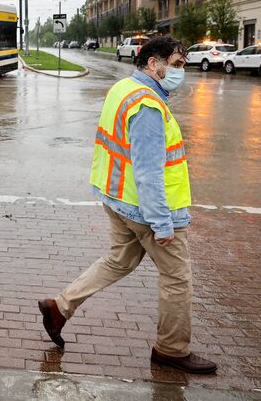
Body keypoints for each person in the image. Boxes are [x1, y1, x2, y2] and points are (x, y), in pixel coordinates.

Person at [38, 36, 217, 374]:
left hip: (117, 198)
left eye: (183, 66)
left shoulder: (124, 89)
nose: (181, 72)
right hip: (145, 210)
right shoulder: (148, 106)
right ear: (154, 63)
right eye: (176, 65)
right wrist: (162, 223)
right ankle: (172, 349)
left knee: (119, 260)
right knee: (177, 277)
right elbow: (149, 172)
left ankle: (60, 308)